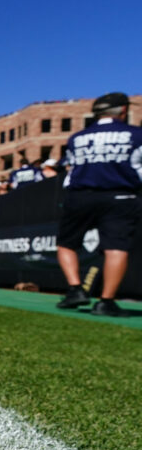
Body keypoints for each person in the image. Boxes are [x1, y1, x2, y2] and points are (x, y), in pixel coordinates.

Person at [55, 92, 142, 317]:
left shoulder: (77, 138)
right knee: (116, 247)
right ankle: (106, 300)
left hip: (80, 196)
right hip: (121, 196)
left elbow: (69, 168)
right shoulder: (136, 134)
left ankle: (75, 289)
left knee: (66, 244)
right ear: (123, 111)